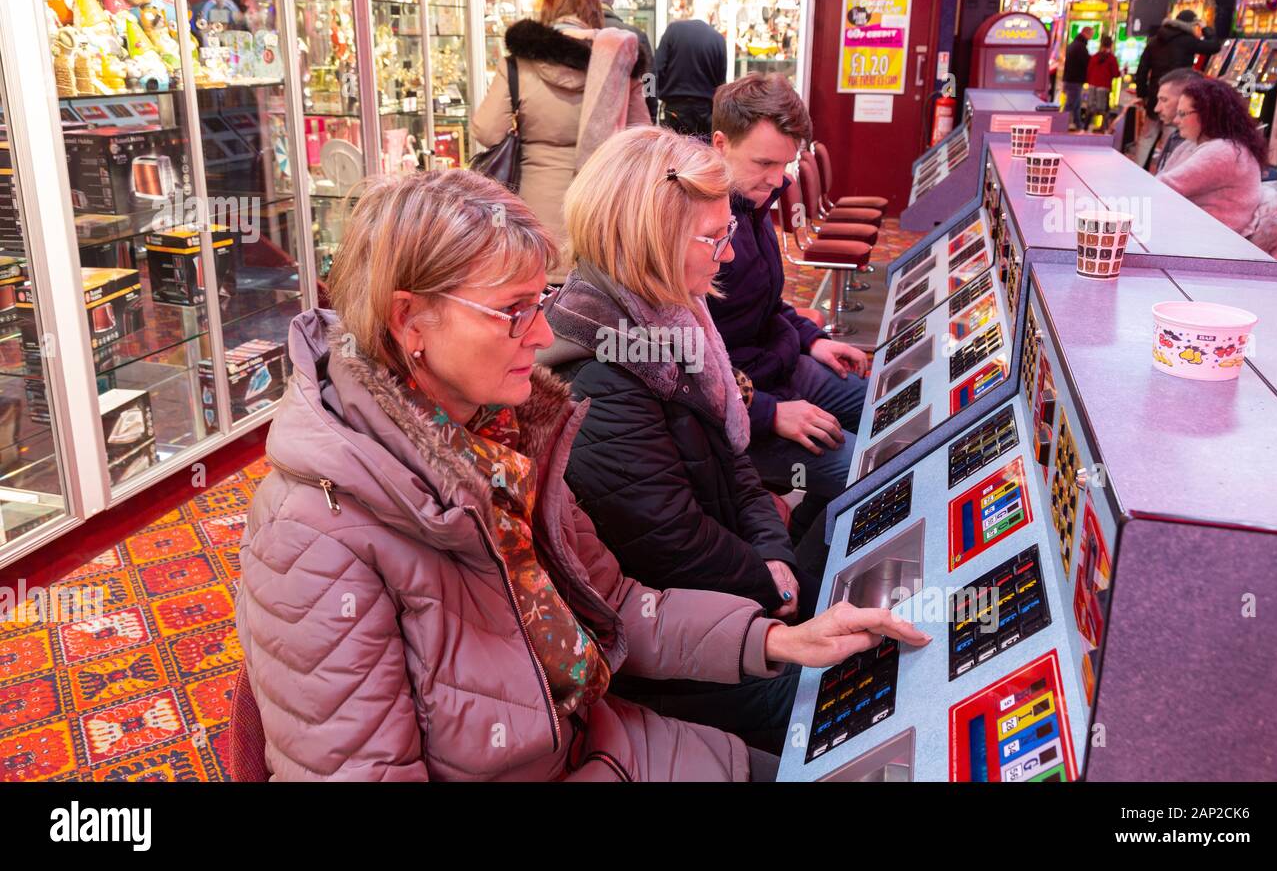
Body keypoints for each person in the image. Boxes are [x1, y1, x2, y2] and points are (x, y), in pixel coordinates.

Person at [236, 167, 931, 782]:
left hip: (596, 736)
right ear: (409, 320)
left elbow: (618, 602)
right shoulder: (312, 537)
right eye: (513, 311)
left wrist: (777, 639)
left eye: (541, 302)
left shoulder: (500, 437)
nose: (541, 336)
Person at [542, 127, 830, 751]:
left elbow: (735, 461)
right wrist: (769, 582)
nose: (728, 255)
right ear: (650, 235)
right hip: (668, 650)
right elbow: (668, 546)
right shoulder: (602, 368)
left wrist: (774, 556)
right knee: (834, 699)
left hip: (724, 591)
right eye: (713, 238)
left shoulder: (679, 316)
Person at [706, 74, 870, 539]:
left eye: (785, 164)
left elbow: (764, 304)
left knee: (886, 410)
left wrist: (811, 338)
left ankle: (803, 526)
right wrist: (771, 414)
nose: (777, 179)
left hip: (779, 366)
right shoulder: (694, 224)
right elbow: (684, 367)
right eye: (763, 162)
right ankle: (812, 581)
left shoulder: (753, 200)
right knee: (868, 469)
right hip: (740, 407)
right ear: (720, 144)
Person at [471, 0, 650, 281]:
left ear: (549, 8)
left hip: (532, 220)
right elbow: (641, 139)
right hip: (597, 215)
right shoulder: (619, 62)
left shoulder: (518, 63)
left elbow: (486, 131)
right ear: (594, 10)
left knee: (533, 308)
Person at [1159, 77, 1266, 235]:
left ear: (1207, 114)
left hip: (1214, 246)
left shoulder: (1224, 152)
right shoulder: (1197, 143)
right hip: (1202, 236)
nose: (1176, 120)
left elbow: (1164, 187)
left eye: (1182, 114)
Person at [653, 0, 727, 138]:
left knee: (672, 156)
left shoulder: (673, 30)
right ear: (711, 12)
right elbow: (721, 86)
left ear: (692, 8)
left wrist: (650, 101)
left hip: (674, 109)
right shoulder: (718, 39)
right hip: (704, 113)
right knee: (700, 157)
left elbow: (653, 71)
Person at [1135, 9, 1222, 116]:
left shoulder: (1154, 40)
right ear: (1191, 24)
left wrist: (1142, 94)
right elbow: (1215, 46)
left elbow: (1142, 70)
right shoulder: (1188, 41)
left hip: (1155, 95)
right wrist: (1204, 27)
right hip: (1177, 96)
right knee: (1171, 129)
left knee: (1150, 131)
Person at [596, 0, 655, 121]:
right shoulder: (635, 34)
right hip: (628, 121)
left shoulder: (585, 32)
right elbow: (649, 77)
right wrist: (651, 110)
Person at [1148, 67, 1203, 173]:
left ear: (1187, 100)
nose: (1156, 109)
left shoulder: (1201, 145)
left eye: (1164, 100)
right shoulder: (1176, 136)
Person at [1085, 34, 1121, 131]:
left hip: (1092, 85)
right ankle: (1105, 130)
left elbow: (1088, 71)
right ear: (1111, 45)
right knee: (1104, 109)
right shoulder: (1111, 58)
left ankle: (1085, 128)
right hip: (1104, 86)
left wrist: (1090, 82)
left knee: (1090, 108)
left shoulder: (1094, 57)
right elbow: (1116, 73)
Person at [1062, 26, 1092, 130]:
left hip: (1070, 78)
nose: (1091, 37)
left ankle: (1078, 124)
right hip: (1075, 79)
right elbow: (1087, 63)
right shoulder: (1080, 47)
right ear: (1086, 33)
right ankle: (1062, 124)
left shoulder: (1073, 44)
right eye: (1091, 34)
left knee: (1076, 103)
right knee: (1071, 104)